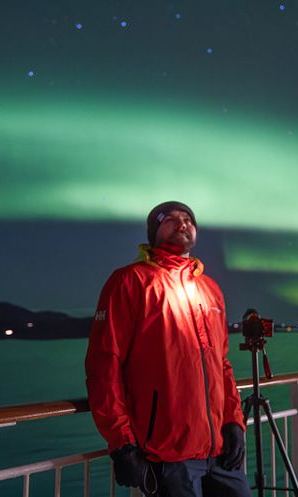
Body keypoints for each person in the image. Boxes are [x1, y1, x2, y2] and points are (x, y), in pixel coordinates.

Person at [85, 201, 251, 497]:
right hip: (168, 456)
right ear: (153, 232)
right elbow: (104, 365)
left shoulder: (209, 288)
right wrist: (122, 444)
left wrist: (234, 422)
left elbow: (221, 364)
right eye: (170, 219)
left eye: (188, 219)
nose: (182, 223)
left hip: (219, 451)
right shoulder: (129, 281)